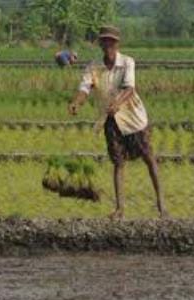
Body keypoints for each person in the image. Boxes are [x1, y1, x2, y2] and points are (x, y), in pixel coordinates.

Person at [67, 26, 165, 219]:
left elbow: (129, 88)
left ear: (117, 43)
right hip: (112, 121)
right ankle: (120, 209)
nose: (108, 45)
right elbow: (84, 88)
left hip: (135, 119)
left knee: (149, 158)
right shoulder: (93, 67)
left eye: (111, 41)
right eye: (105, 41)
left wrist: (117, 103)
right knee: (118, 163)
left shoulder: (128, 62)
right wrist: (76, 103)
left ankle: (161, 205)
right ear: (101, 44)